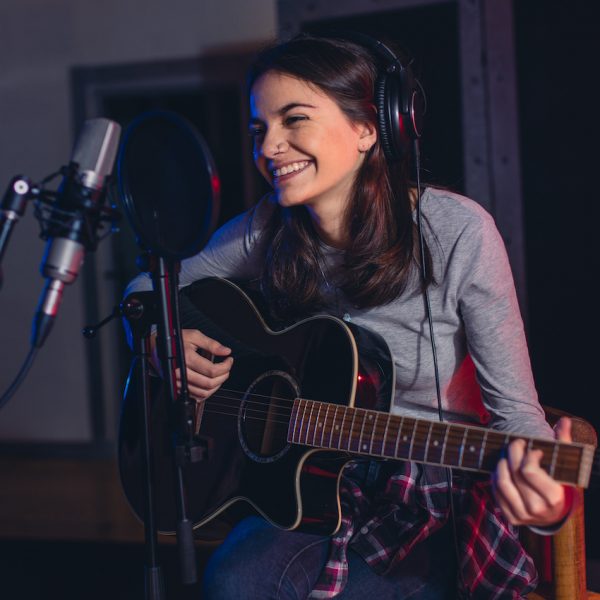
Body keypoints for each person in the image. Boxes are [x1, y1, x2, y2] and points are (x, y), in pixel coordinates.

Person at [125, 34, 573, 599]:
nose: (270, 147)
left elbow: (516, 411)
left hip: (429, 497)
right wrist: (164, 339)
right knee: (236, 582)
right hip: (313, 479)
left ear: (369, 129)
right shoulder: (267, 228)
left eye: (294, 120)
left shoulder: (459, 231)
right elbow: (149, 286)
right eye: (259, 129)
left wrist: (551, 502)